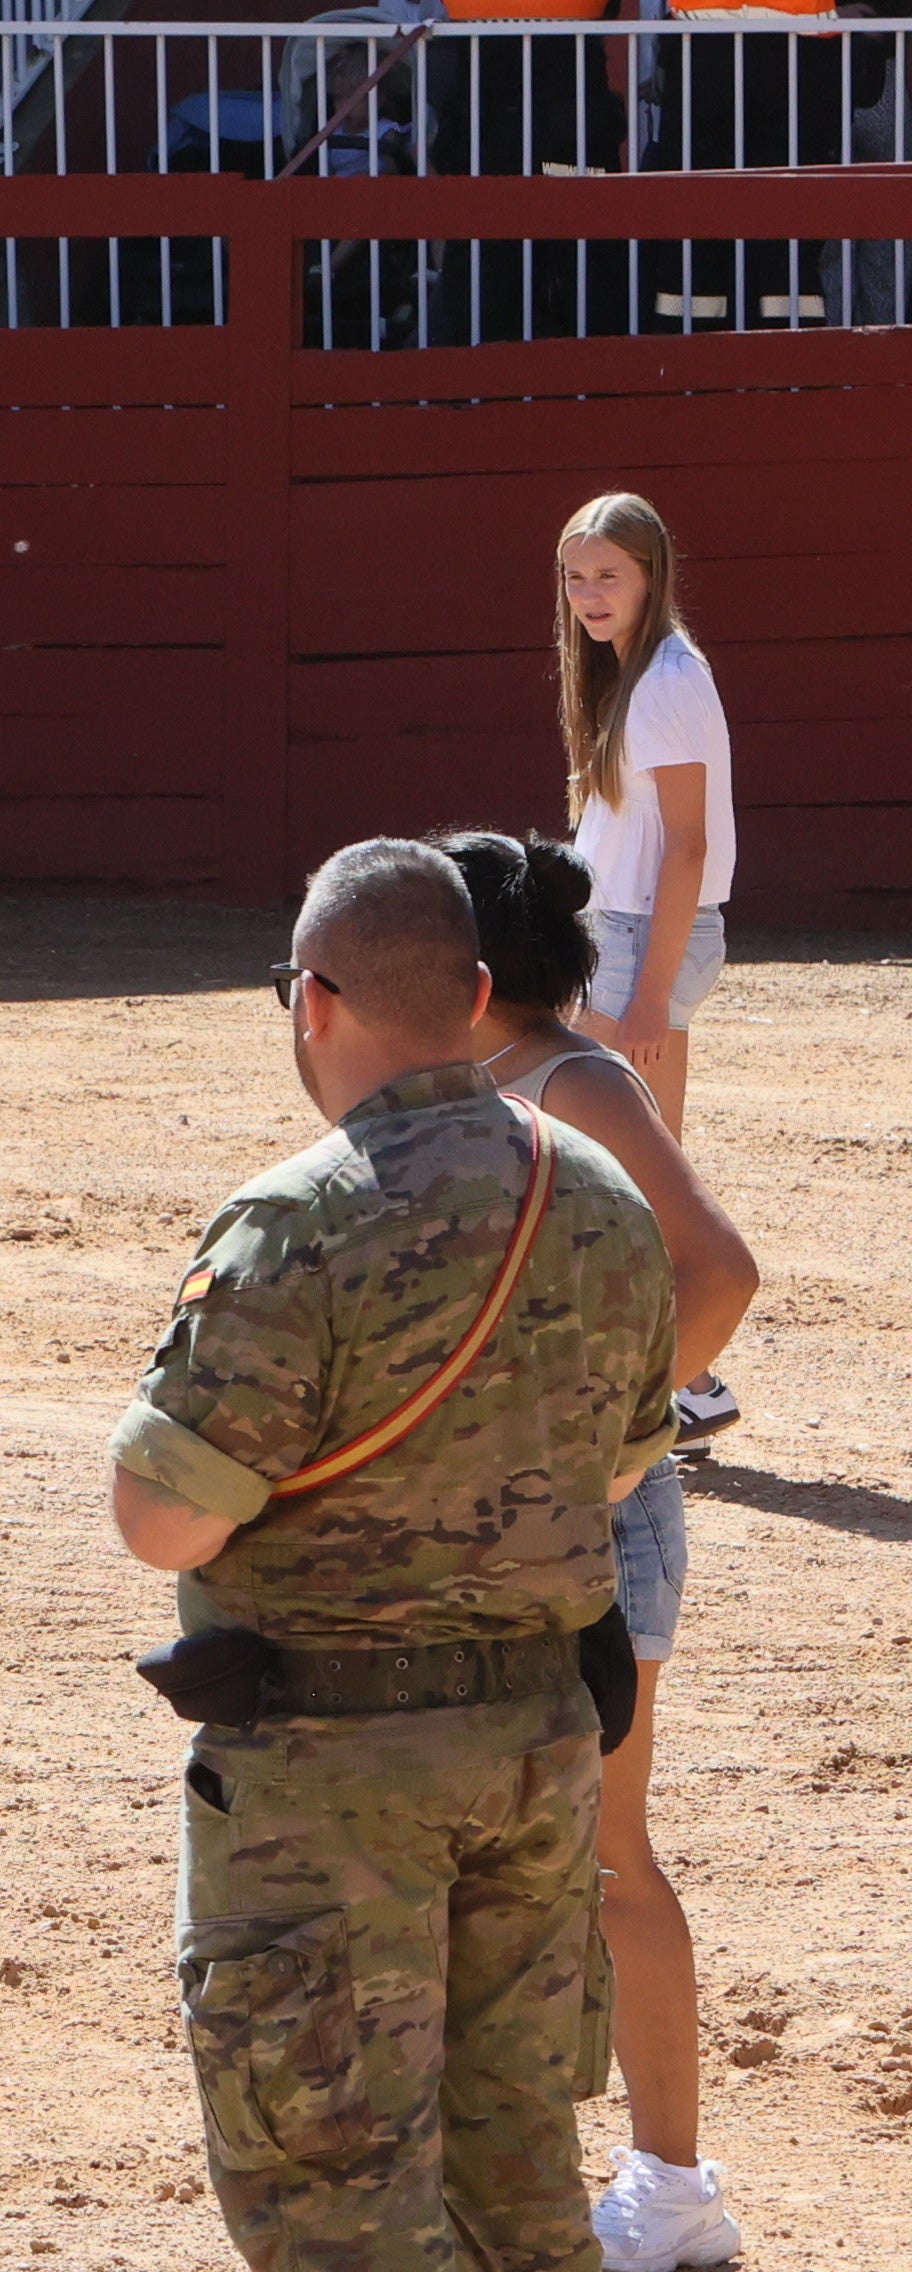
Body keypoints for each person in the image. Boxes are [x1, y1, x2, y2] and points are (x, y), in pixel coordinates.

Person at [110, 838, 678, 2272]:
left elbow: (162, 1518)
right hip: (541, 1748)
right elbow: (621, 1457)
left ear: (313, 998)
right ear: (481, 992)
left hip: (329, 1773)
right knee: (521, 2185)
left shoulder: (299, 1219)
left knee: (340, 2203)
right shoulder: (599, 1196)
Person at [433, 829, 760, 2272]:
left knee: (604, 1857)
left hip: (590, 1525)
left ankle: (674, 2186)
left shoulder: (575, 1082)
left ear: (467, 969)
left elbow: (725, 1269)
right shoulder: (495, 1081)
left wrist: (618, 1441)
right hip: (509, 1525)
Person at [556, 492, 740, 1446]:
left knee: (630, 1168)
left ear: (650, 576)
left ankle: (687, 1378)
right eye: (578, 577)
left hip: (644, 942)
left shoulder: (666, 677)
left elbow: (686, 849)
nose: (590, 594)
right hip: (621, 934)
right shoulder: (630, 673)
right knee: (624, 1164)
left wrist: (649, 998)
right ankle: (686, 1376)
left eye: (608, 576)